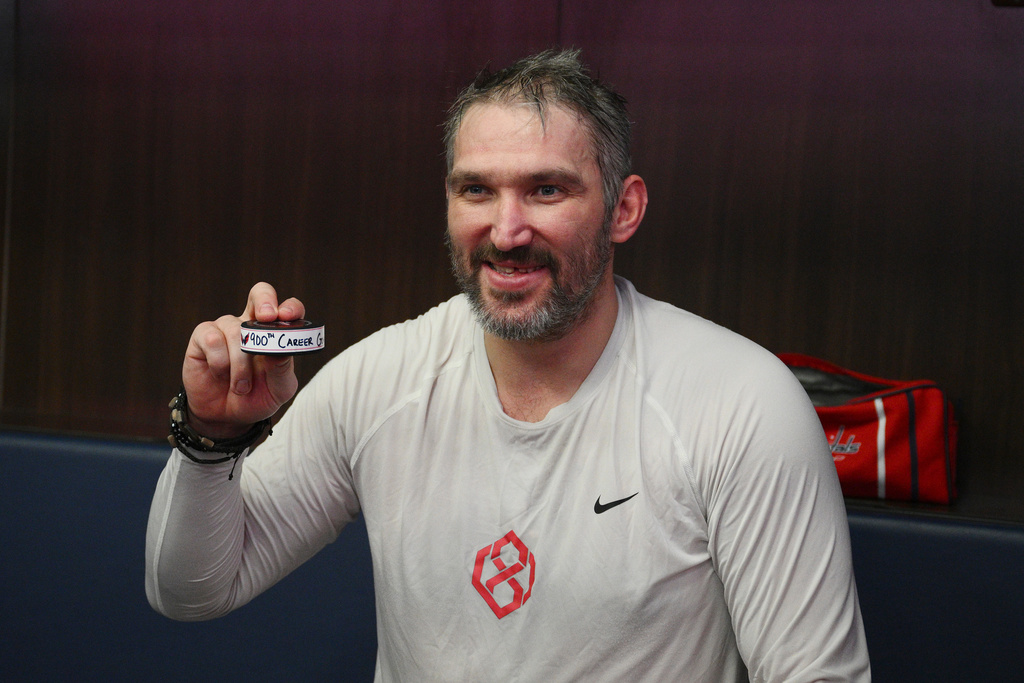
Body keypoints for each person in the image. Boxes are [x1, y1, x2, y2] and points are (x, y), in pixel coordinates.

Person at [146, 49, 870, 682]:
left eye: (546, 189)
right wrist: (212, 436)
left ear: (624, 208)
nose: (505, 230)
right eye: (477, 189)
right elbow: (192, 590)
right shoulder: (385, 380)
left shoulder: (738, 403)